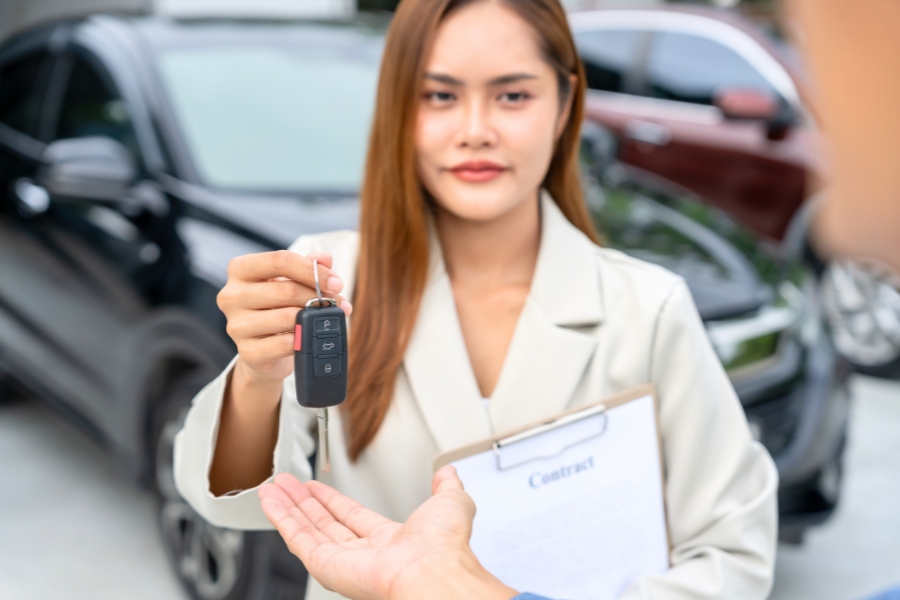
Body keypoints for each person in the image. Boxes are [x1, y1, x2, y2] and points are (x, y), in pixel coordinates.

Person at [173, 0, 778, 598]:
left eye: (513, 96)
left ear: (566, 103)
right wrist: (257, 374)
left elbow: (733, 555)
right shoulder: (328, 280)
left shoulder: (649, 308)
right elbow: (231, 501)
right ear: (398, 107)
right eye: (440, 96)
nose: (475, 131)